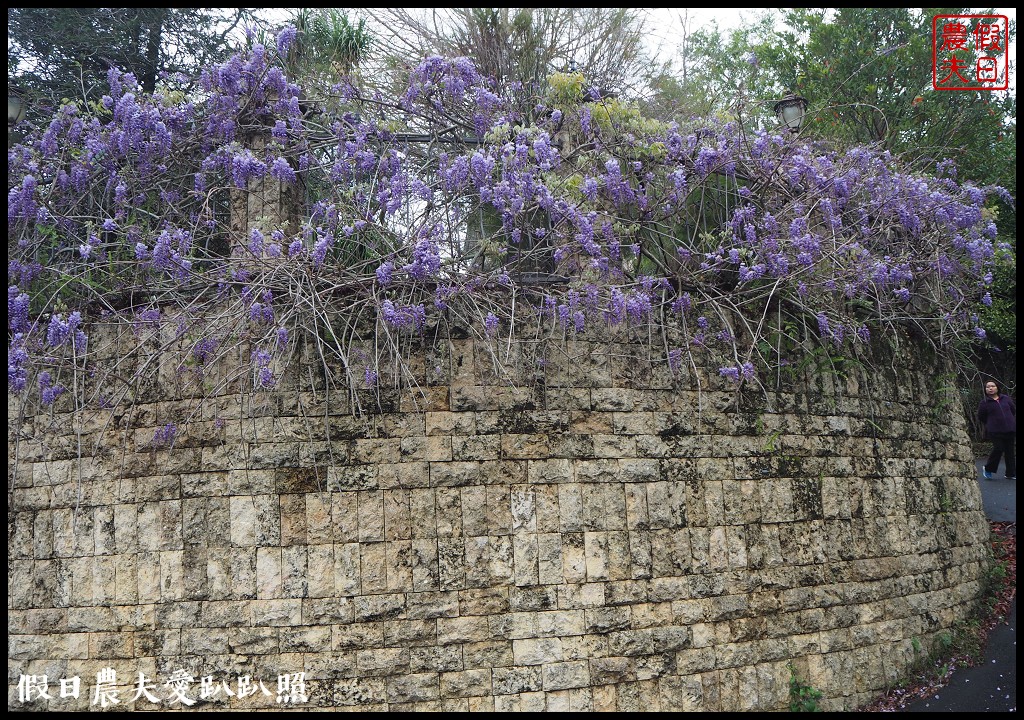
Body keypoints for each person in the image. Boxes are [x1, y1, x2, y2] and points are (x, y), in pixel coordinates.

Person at [978, 380, 1016, 480]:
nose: (990, 388)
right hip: (995, 430)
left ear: (997, 387)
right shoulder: (984, 403)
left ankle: (1010, 473)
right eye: (988, 387)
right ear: (985, 390)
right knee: (998, 448)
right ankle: (988, 468)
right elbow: (981, 416)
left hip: (1009, 429)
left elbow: (1013, 410)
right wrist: (992, 422)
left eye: (992, 386)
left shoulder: (1006, 398)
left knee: (1010, 451)